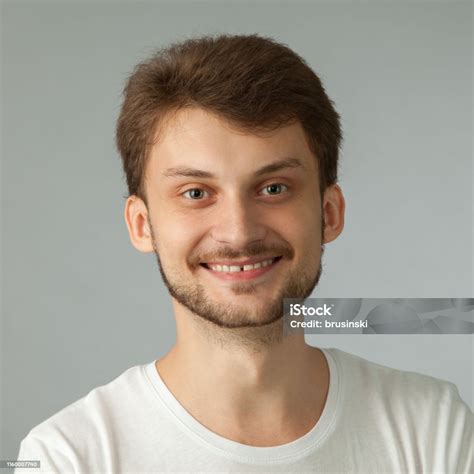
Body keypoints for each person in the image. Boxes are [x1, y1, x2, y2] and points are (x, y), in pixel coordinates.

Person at [15, 33, 472, 473]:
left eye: (273, 188)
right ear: (142, 224)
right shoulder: (69, 458)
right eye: (195, 193)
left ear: (329, 213)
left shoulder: (434, 431)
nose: (238, 231)